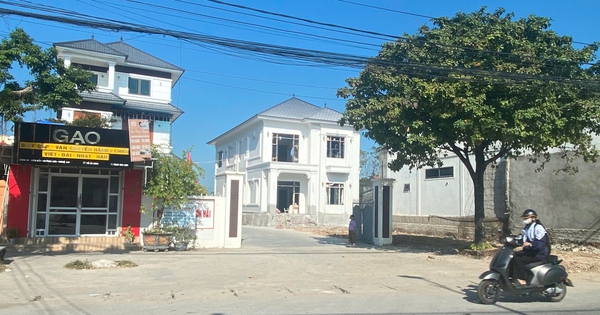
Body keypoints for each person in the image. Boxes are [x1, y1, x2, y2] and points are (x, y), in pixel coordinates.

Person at [511, 209, 551, 285]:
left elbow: (540, 244)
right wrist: (510, 241)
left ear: (533, 218)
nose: (525, 220)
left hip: (539, 253)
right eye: (524, 219)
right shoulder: (526, 228)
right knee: (513, 255)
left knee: (518, 259)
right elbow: (520, 237)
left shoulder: (538, 228)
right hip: (530, 251)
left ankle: (523, 279)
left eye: (526, 218)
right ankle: (513, 277)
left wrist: (530, 244)